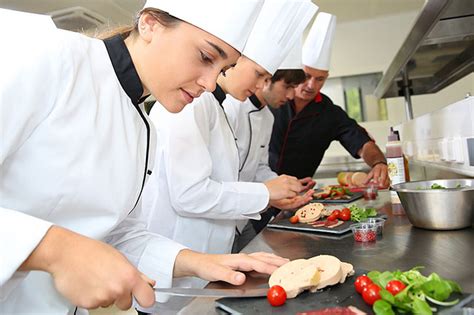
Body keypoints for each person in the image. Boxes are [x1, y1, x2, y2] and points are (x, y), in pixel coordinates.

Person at [0, 2, 292, 314]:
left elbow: (119, 233)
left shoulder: (143, 126)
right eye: (206, 57)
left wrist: (205, 263)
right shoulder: (46, 56)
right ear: (150, 25)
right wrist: (54, 250)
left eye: (222, 70)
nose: (209, 84)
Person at [140, 0, 317, 291]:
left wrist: (275, 188)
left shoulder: (213, 106)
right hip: (179, 261)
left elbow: (239, 174)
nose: (262, 86)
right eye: (259, 74)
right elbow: (190, 194)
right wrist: (265, 193)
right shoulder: (191, 104)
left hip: (211, 259)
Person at [269, 12, 390, 188]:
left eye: (320, 79)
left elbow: (362, 143)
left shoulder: (329, 113)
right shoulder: (273, 100)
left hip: (298, 195)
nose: (311, 85)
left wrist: (379, 163)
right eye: (306, 76)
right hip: (260, 190)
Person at [223, 40, 316, 251]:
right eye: (288, 87)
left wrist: (284, 186)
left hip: (242, 219)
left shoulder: (267, 117)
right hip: (223, 215)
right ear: (267, 80)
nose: (291, 96)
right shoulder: (230, 107)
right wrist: (268, 193)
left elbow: (258, 168)